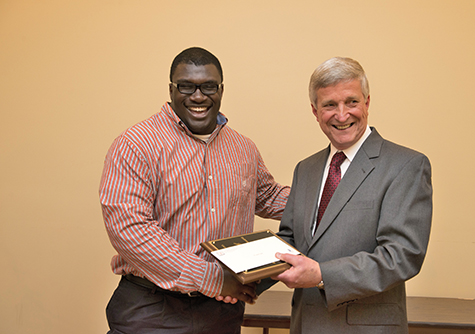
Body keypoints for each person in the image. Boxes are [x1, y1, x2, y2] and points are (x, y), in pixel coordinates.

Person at [99, 47, 290, 334]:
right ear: (171, 89)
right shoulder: (135, 145)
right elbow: (131, 231)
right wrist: (213, 278)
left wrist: (337, 198)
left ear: (221, 89)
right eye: (186, 86)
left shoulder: (243, 148)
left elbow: (269, 197)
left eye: (208, 87)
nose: (198, 96)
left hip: (222, 313)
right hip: (152, 311)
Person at [266, 57, 433, 333]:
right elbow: (290, 242)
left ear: (367, 103)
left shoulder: (406, 166)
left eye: (351, 102)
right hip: (305, 325)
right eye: (329, 105)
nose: (341, 115)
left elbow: (401, 256)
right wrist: (242, 277)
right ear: (315, 111)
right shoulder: (305, 170)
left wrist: (322, 275)